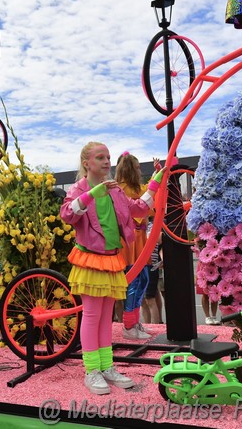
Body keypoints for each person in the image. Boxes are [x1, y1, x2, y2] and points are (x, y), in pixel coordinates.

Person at [60, 141, 163, 395]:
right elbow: (67, 214)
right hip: (90, 259)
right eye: (100, 158)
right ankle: (92, 370)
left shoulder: (116, 190)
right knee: (93, 314)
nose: (107, 162)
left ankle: (106, 366)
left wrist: (156, 181)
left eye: (108, 157)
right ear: (87, 163)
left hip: (112, 258)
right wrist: (91, 195)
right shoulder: (78, 189)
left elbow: (139, 207)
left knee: (106, 316)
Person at [115, 152, 161, 340]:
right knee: (135, 281)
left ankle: (134, 323)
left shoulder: (132, 188)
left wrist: (156, 177)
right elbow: (146, 199)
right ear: (130, 168)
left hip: (139, 238)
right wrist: (155, 179)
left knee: (142, 280)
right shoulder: (120, 189)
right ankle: (128, 325)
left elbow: (148, 193)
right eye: (137, 167)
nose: (139, 170)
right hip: (130, 240)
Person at [142, 219, 164, 324]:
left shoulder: (152, 228)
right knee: (143, 301)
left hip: (150, 265)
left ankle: (156, 325)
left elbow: (160, 240)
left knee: (150, 298)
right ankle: (147, 324)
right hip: (139, 265)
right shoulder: (136, 227)